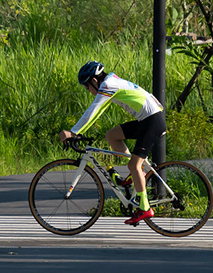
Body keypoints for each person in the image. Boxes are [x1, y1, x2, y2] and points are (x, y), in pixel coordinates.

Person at [60, 61, 165, 226]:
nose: (88, 91)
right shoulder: (111, 82)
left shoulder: (108, 84)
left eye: (87, 87)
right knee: (112, 136)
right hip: (148, 119)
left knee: (134, 165)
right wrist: (77, 131)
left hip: (152, 121)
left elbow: (93, 110)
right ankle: (137, 174)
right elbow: (99, 111)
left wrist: (73, 132)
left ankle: (145, 207)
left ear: (94, 81)